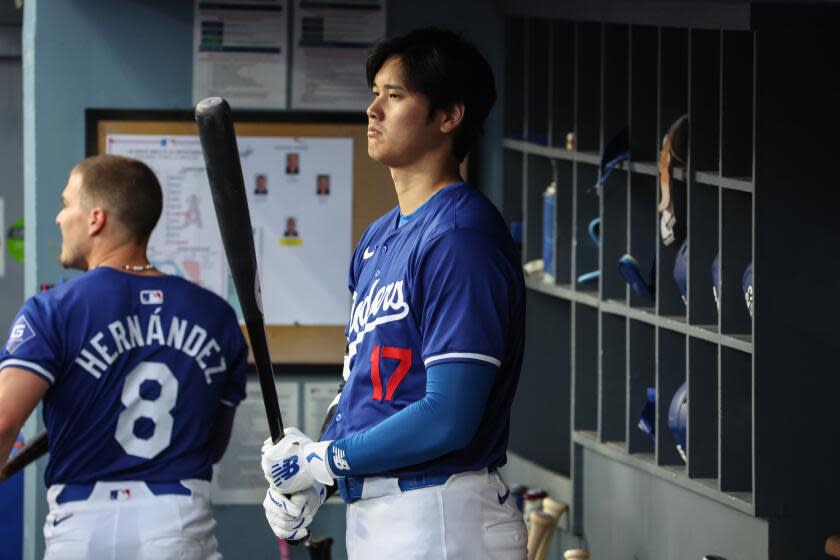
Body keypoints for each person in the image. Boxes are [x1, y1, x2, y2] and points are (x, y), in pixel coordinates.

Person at [260, 28, 527, 559]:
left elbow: (449, 415)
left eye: (395, 95)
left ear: (449, 116)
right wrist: (315, 475)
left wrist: (328, 459)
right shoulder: (380, 237)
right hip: (383, 513)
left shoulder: (460, 238)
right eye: (376, 93)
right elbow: (362, 385)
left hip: (444, 514)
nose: (373, 110)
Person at [0, 155, 248, 559]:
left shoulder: (53, 309)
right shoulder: (217, 316)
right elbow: (213, 445)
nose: (60, 218)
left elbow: (4, 420)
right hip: (177, 522)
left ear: (96, 218)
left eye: (67, 204)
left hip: (81, 527)